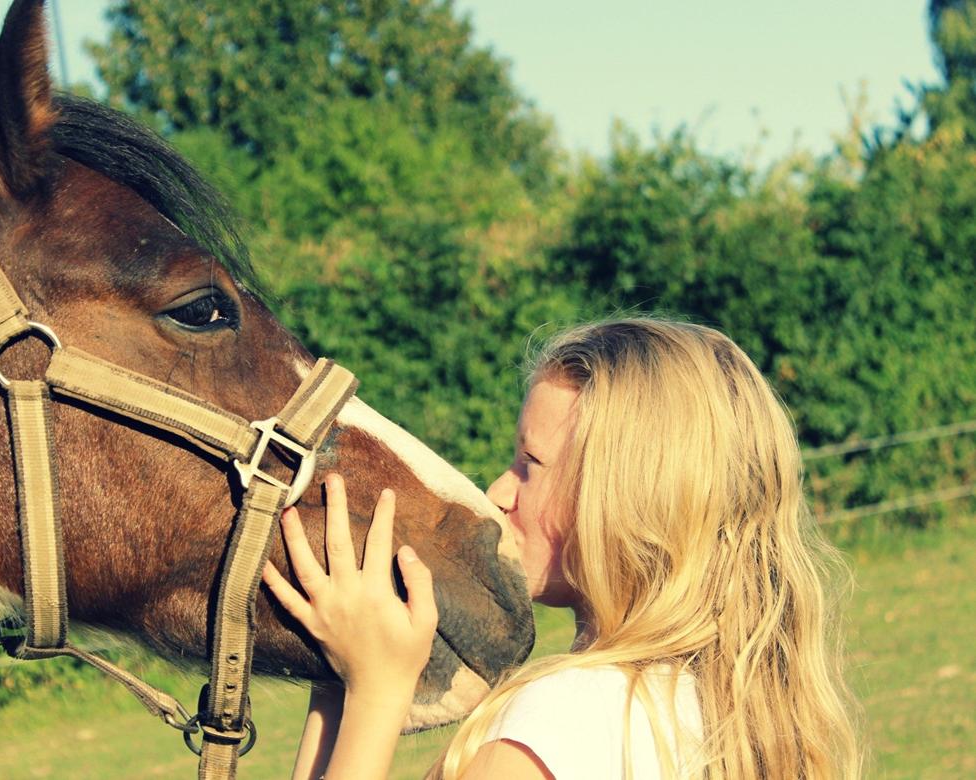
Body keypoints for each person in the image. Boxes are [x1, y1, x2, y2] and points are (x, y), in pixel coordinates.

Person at [262, 318, 861, 779]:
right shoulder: (713, 709)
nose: (498, 494)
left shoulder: (562, 726)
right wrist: (338, 675)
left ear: (627, 501)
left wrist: (377, 688)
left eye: (531, 465)